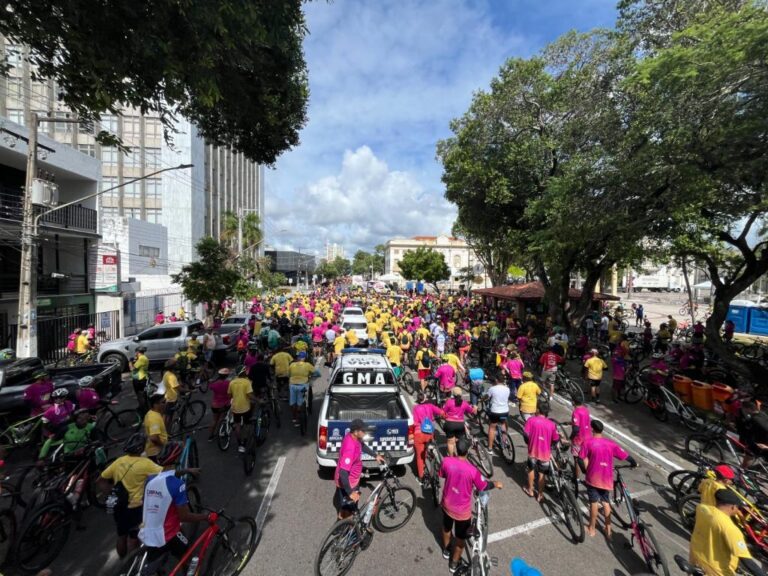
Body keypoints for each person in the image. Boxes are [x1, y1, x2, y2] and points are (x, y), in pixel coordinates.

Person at [138, 442, 209, 573]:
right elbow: (185, 516)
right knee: (187, 555)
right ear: (177, 459)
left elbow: (166, 475)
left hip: (147, 532)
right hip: (167, 535)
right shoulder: (178, 485)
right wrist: (206, 517)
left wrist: (187, 471)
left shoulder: (150, 480)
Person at [439, 437, 502, 574]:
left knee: (446, 527)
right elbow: (484, 486)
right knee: (461, 541)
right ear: (467, 451)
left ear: (456, 449)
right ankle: (454, 564)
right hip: (462, 512)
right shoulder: (473, 470)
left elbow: (443, 475)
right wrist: (496, 484)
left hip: (446, 503)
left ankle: (446, 550)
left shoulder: (446, 461)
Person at [99, 433, 162, 558]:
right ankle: (131, 563)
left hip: (118, 504)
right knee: (134, 535)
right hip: (135, 506)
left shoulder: (119, 461)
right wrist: (187, 471)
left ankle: (123, 560)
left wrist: (110, 493)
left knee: (121, 535)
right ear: (141, 448)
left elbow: (100, 480)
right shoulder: (145, 463)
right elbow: (165, 473)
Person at [577, 419, 637, 538]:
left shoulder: (588, 442)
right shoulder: (611, 444)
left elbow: (580, 459)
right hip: (607, 478)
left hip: (593, 477)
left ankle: (592, 528)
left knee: (593, 503)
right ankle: (608, 529)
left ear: (592, 429)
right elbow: (626, 456)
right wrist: (634, 463)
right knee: (606, 502)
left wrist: (585, 471)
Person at [689, 488, 765, 576]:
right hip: (715, 571)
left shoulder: (702, 508)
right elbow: (746, 561)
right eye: (738, 507)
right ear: (733, 507)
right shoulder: (730, 529)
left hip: (695, 559)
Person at [334, 419, 385, 520]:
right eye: (363, 430)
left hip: (354, 479)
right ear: (356, 431)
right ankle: (341, 530)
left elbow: (362, 445)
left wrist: (375, 455)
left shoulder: (353, 437)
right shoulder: (350, 448)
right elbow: (343, 472)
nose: (365, 432)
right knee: (347, 510)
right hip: (348, 483)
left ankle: (348, 525)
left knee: (352, 508)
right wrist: (350, 492)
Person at [522, 403, 559, 502]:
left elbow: (525, 435)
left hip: (533, 450)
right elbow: (556, 439)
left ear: (538, 410)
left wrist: (529, 442)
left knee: (531, 469)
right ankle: (540, 495)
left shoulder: (531, 420)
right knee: (542, 474)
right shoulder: (551, 424)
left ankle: (530, 490)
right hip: (545, 453)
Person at [412, 392, 444, 482]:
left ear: (418, 400)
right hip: (429, 433)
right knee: (431, 445)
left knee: (420, 456)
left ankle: (421, 477)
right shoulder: (430, 406)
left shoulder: (416, 408)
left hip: (419, 434)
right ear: (425, 398)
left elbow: (415, 422)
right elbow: (441, 412)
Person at [442, 387, 477, 456]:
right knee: (458, 441)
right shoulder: (465, 403)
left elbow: (443, 412)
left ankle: (451, 458)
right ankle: (459, 456)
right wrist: (475, 407)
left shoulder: (449, 402)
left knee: (450, 443)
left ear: (453, 394)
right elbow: (472, 411)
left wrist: (444, 417)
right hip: (460, 424)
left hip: (450, 424)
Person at [228, 367, 254, 453]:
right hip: (246, 407)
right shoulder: (247, 382)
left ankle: (240, 444)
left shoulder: (232, 382)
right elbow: (250, 395)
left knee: (237, 425)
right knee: (246, 425)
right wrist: (257, 400)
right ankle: (245, 441)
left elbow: (229, 395)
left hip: (235, 407)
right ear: (243, 373)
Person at [288, 352, 317, 424]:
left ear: (298, 358)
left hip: (292, 385)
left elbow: (288, 374)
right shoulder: (307, 365)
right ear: (304, 358)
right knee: (300, 401)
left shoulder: (292, 365)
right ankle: (300, 413)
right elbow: (317, 373)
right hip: (303, 385)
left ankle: (294, 418)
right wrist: (312, 375)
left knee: (293, 402)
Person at [569, 398, 591, 492]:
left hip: (579, 439)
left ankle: (577, 479)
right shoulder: (586, 409)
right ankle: (589, 477)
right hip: (588, 437)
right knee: (585, 458)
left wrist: (571, 437)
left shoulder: (576, 412)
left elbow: (576, 429)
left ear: (573, 402)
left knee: (577, 459)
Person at [486, 375, 511, 452]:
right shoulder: (507, 389)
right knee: (503, 423)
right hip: (504, 411)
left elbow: (487, 397)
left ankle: (490, 448)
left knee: (492, 427)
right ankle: (504, 441)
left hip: (495, 411)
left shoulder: (492, 389)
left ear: (496, 380)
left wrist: (482, 399)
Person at [207, 368, 231, 441]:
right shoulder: (229, 383)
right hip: (225, 404)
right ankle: (222, 431)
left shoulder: (215, 384)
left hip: (215, 405)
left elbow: (210, 387)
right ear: (226, 375)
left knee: (214, 420)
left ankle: (210, 436)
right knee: (223, 418)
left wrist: (212, 381)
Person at [162, 360, 188, 428]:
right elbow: (180, 389)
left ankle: (165, 429)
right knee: (169, 417)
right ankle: (167, 432)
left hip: (167, 396)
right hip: (171, 399)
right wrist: (190, 390)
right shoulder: (172, 377)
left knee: (166, 415)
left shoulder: (166, 373)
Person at [143, 394, 168, 459]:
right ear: (155, 405)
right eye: (163, 402)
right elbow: (154, 438)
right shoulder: (154, 418)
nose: (166, 403)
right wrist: (163, 445)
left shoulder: (151, 413)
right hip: (156, 452)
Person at [129, 346, 150, 417]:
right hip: (142, 378)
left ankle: (144, 412)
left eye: (136, 352)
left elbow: (132, 369)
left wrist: (130, 362)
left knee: (140, 396)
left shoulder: (141, 359)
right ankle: (144, 408)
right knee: (142, 395)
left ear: (138, 352)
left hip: (139, 380)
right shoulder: (143, 358)